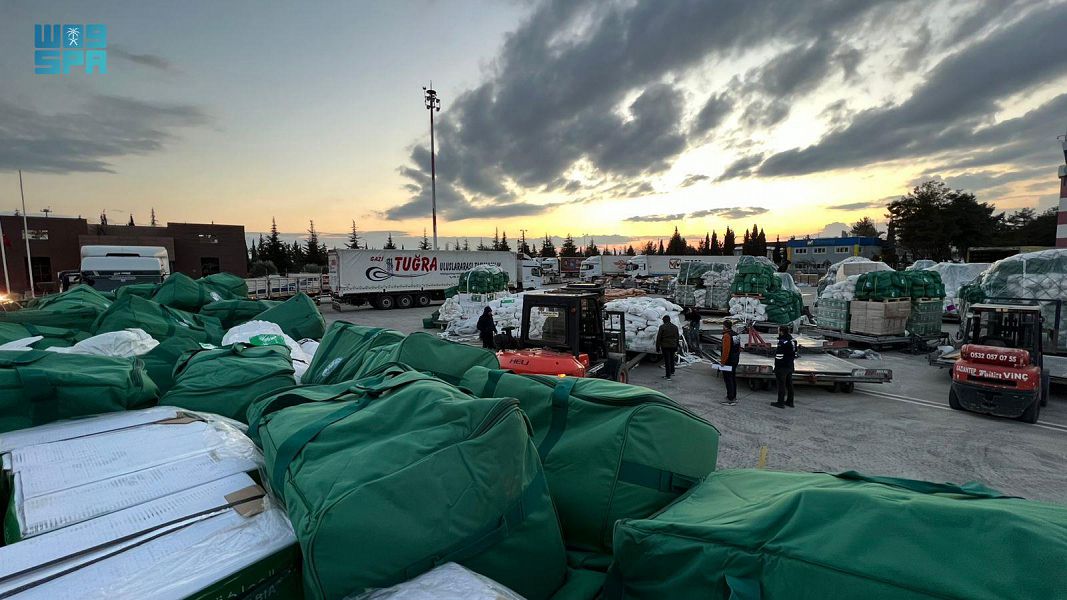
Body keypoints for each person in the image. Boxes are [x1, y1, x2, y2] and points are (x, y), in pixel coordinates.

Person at [771, 326, 799, 408]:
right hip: (790, 365)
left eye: (778, 330)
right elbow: (795, 352)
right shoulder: (793, 340)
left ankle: (780, 402)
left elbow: (779, 356)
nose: (778, 332)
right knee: (789, 384)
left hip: (782, 366)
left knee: (781, 385)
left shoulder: (782, 342)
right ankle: (790, 401)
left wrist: (777, 367)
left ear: (781, 331)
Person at [720, 319, 741, 405]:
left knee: (728, 379)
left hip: (728, 361)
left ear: (725, 326)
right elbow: (738, 348)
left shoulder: (727, 336)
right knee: (732, 378)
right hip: (735, 360)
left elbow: (726, 350)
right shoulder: (736, 335)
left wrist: (723, 362)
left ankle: (730, 398)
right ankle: (733, 396)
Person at [655, 315, 679, 380]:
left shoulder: (662, 327)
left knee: (667, 361)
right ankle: (672, 371)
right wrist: (677, 346)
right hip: (673, 345)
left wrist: (657, 347)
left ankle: (668, 376)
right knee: (672, 359)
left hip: (665, 346)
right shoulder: (675, 327)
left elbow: (659, 337)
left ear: (664, 320)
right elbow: (677, 337)